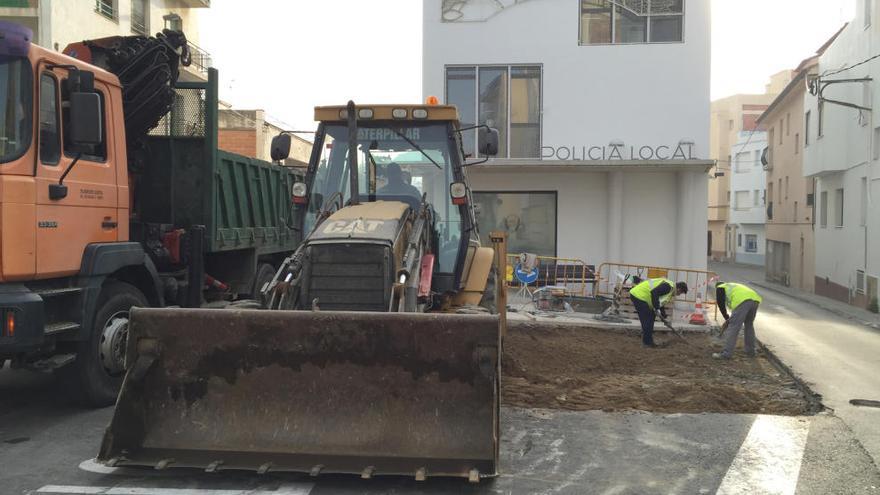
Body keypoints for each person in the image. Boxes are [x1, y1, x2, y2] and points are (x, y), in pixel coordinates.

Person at [629, 278, 689, 348]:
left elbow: (660, 301)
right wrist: (657, 308)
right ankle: (647, 343)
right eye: (680, 293)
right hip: (639, 296)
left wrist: (664, 315)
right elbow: (654, 292)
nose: (678, 295)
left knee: (650, 318)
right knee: (648, 320)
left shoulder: (670, 289)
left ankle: (648, 342)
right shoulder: (668, 287)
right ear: (679, 289)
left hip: (641, 297)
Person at [713, 281, 763, 359]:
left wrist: (726, 318)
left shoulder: (720, 287)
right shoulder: (732, 286)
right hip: (755, 300)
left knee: (734, 327)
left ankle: (726, 353)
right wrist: (728, 318)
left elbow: (720, 304)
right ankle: (751, 352)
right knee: (749, 325)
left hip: (743, 301)